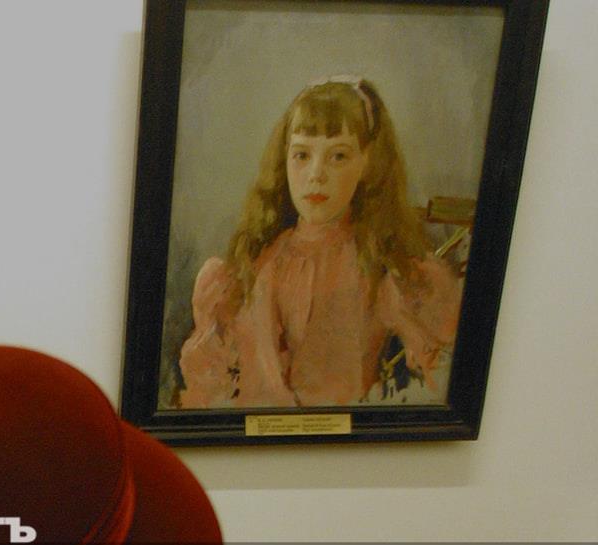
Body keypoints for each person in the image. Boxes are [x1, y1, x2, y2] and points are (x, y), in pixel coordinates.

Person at [177, 77, 462, 408]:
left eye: (338, 156)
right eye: (301, 155)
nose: (316, 174)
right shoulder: (252, 266)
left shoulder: (380, 268)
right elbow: (207, 390)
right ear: (284, 160)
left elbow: (443, 377)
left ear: (367, 163)